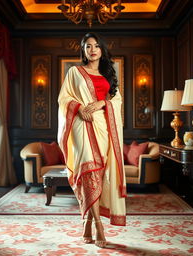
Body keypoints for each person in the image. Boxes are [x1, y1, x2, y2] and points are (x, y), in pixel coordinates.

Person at [58, 32, 126, 248]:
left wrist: (102, 104)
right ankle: (98, 225)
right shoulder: (74, 73)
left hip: (103, 127)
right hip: (81, 124)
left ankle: (87, 221)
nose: (93, 49)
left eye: (96, 46)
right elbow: (64, 98)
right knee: (88, 171)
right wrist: (78, 108)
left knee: (99, 172)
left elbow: (117, 99)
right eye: (88, 46)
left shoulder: (108, 74)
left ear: (102, 49)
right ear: (83, 50)